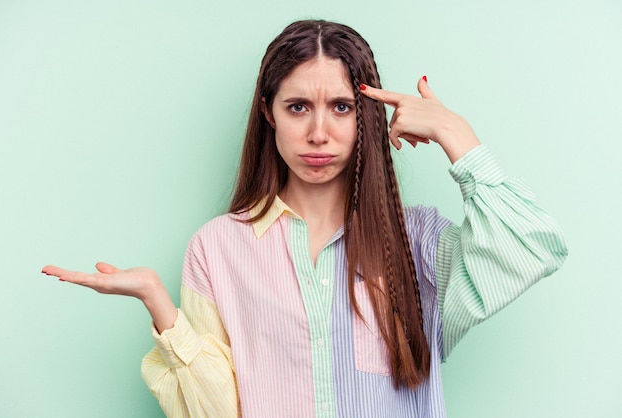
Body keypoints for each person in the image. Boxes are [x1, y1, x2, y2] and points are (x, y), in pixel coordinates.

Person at [42, 19, 568, 418]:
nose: (319, 133)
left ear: (364, 116)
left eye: (341, 107)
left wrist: (458, 136)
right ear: (268, 111)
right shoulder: (217, 249)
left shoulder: (418, 241)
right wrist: (161, 306)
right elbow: (218, 412)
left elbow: (532, 247)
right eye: (298, 107)